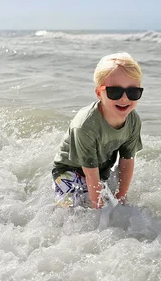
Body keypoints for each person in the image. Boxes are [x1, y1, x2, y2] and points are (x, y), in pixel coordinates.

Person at [52, 52, 143, 209]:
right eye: (114, 91)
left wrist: (121, 198)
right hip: (69, 170)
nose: (124, 98)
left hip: (100, 170)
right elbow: (90, 176)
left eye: (133, 92)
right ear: (99, 93)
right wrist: (100, 215)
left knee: (118, 206)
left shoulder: (133, 120)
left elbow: (127, 160)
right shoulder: (85, 125)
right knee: (77, 213)